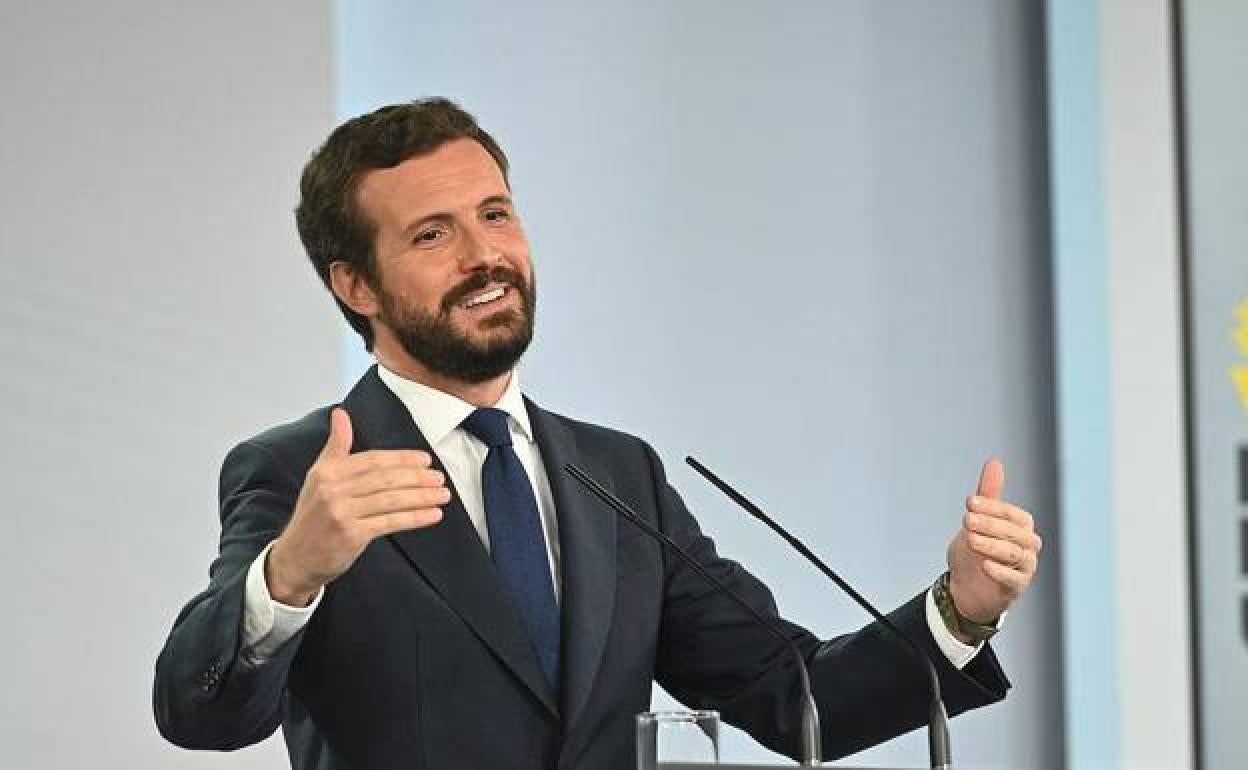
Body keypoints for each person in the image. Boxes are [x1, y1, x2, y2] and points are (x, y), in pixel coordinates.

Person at [153, 98, 1042, 770]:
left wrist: (961, 609)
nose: (483, 256)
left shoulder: (617, 473)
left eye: (495, 214)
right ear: (355, 285)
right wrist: (291, 572)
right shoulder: (305, 473)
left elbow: (792, 695)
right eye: (432, 235)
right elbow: (200, 714)